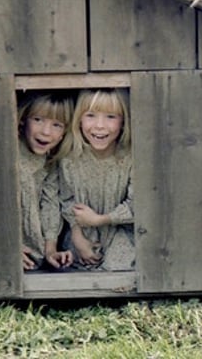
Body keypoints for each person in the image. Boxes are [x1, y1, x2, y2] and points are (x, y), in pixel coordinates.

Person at [54, 88, 134, 271]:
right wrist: (76, 234)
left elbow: (137, 204)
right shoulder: (69, 159)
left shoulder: (129, 158)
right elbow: (66, 200)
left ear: (123, 122)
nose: (99, 125)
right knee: (72, 262)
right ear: (79, 120)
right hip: (82, 232)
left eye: (111, 117)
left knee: (117, 269)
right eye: (90, 115)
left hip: (120, 231)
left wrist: (100, 219)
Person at [17, 92, 74, 271]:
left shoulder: (52, 161)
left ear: (64, 133)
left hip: (34, 251)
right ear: (23, 119)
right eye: (38, 120)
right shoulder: (11, 152)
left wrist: (51, 250)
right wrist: (7, 247)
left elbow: (50, 204)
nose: (46, 131)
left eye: (56, 125)